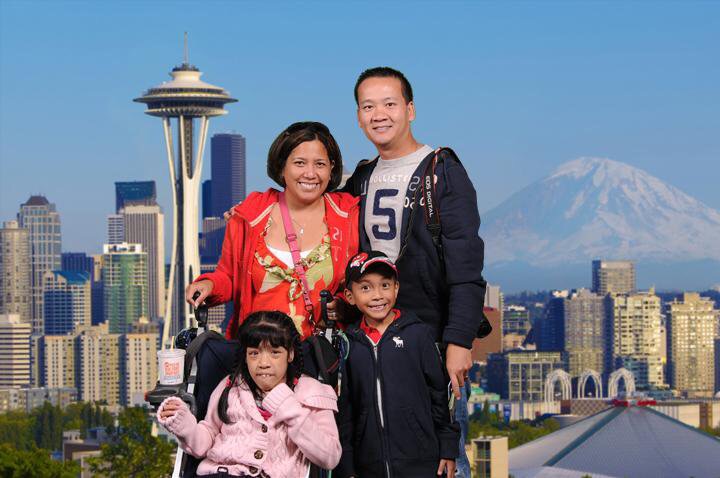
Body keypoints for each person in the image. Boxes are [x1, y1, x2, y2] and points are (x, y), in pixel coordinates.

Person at [342, 67, 489, 477]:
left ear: (410, 110)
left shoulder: (442, 171)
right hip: (374, 342)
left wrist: (458, 341)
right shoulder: (361, 178)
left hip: (431, 341)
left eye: (389, 104)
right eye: (368, 106)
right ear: (358, 116)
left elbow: (467, 267)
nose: (379, 114)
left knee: (444, 455)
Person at [186, 121, 359, 339]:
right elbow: (229, 277)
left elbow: (363, 281)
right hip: (260, 351)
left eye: (320, 164)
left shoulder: (349, 216)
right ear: (281, 167)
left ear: (332, 168)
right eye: (299, 163)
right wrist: (209, 284)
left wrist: (343, 306)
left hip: (323, 353)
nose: (310, 173)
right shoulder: (249, 217)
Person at [157, 310, 342, 477]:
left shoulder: (312, 393)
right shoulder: (230, 387)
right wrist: (185, 426)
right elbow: (205, 442)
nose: (263, 363)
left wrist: (291, 410)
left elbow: (330, 456)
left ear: (290, 354)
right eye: (254, 353)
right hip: (219, 472)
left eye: (275, 353)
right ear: (245, 357)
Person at [335, 251, 458, 478]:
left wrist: (448, 448)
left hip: (422, 464)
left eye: (385, 285)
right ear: (350, 296)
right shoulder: (348, 344)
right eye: (366, 288)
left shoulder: (418, 335)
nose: (377, 295)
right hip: (368, 467)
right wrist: (347, 467)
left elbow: (440, 395)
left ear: (396, 288)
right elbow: (346, 411)